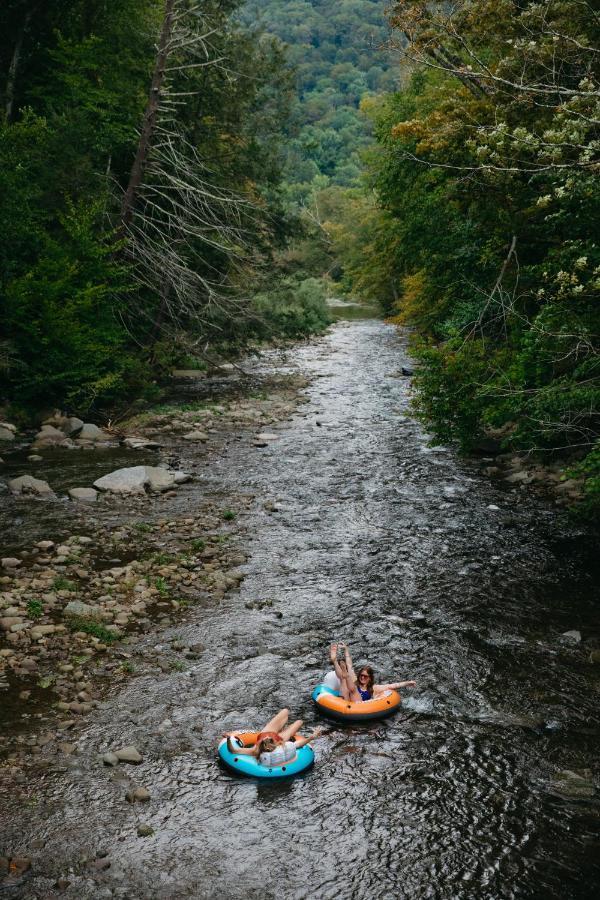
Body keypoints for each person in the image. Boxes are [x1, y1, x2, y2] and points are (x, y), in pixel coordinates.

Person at [223, 708, 322, 767]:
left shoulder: (255, 750)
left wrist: (228, 738)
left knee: (287, 713)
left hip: (269, 731)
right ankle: (282, 729)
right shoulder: (281, 746)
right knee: (298, 721)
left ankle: (282, 728)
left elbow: (233, 750)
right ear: (274, 745)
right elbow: (299, 744)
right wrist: (311, 737)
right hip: (281, 737)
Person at [329, 642, 416, 703]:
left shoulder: (374, 688)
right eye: (361, 675)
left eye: (365, 676)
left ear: (370, 678)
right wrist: (346, 650)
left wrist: (407, 683)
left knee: (353, 690)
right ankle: (334, 661)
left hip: (358, 706)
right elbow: (349, 665)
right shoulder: (356, 681)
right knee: (343, 680)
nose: (362, 677)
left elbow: (392, 686)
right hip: (346, 701)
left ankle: (345, 674)